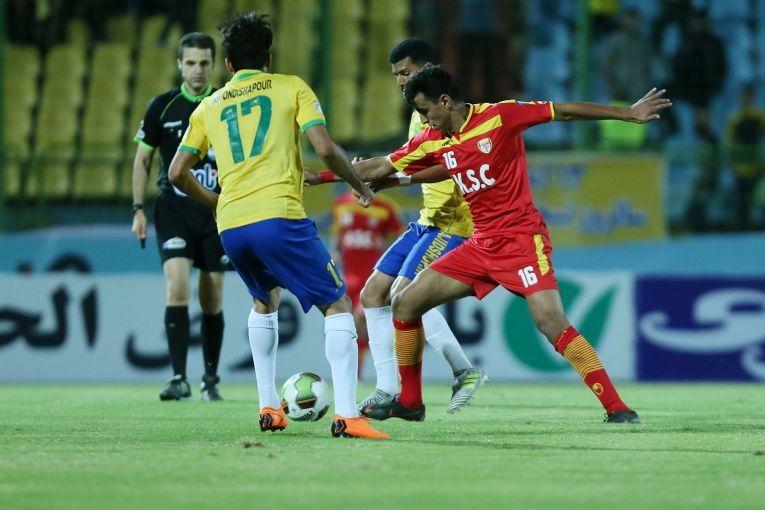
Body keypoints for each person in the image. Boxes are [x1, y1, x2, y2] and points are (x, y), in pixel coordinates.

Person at [354, 66, 671, 423]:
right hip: (480, 245)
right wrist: (319, 176)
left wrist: (627, 113)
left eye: (425, 111)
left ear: (445, 101)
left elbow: (562, 111)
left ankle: (617, 408)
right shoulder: (435, 138)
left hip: (521, 241)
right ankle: (411, 402)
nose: (424, 120)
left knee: (551, 322)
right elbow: (382, 166)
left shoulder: (501, 115)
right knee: (405, 302)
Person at [167, 12, 388, 439]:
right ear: (269, 57)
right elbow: (325, 149)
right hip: (279, 215)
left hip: (233, 226)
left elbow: (177, 172)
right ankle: (348, 415)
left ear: (227, 64)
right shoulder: (291, 87)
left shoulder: (209, 106)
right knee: (338, 305)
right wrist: (357, 183)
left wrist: (216, 203)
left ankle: (269, 407)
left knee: (264, 301)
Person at [308, 38, 487, 417]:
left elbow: (440, 166)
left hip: (452, 222)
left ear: (427, 69)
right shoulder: (418, 115)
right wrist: (379, 177)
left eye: (405, 72)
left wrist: (331, 176)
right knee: (374, 294)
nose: (400, 81)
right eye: (395, 75)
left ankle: (460, 371)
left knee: (404, 296)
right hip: (427, 220)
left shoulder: (443, 114)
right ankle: (387, 389)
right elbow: (408, 163)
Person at [131, 32, 226, 402]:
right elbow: (143, 159)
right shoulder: (163, 106)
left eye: (204, 63)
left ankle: (210, 379)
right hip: (173, 211)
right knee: (177, 288)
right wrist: (138, 209)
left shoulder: (226, 102)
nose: (197, 70)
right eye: (190, 63)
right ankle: (178, 378)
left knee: (212, 295)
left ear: (214, 65)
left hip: (215, 211)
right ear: (179, 65)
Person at [330, 192, 403, 378]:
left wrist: (388, 257)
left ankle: (365, 374)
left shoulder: (386, 207)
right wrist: (335, 253)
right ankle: (356, 374)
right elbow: (338, 234)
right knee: (351, 327)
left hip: (372, 276)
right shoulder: (341, 203)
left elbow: (398, 237)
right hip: (349, 276)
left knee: (363, 322)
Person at [724, 84, 765, 230]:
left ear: (753, 97)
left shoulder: (759, 116)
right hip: (740, 168)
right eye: (744, 96)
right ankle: (742, 231)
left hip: (758, 168)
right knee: (742, 204)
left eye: (749, 96)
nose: (746, 99)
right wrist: (731, 164)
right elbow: (729, 143)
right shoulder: (735, 118)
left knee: (761, 200)